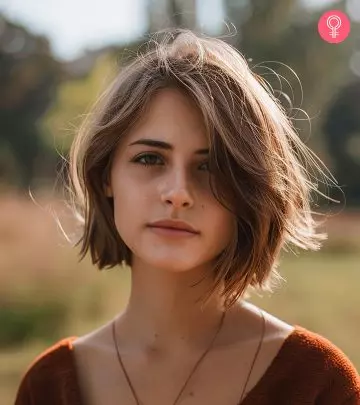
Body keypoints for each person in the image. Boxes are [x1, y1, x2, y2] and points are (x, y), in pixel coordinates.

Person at [14, 28, 359, 405]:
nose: (177, 192)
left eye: (210, 166)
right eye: (150, 158)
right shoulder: (49, 387)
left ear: (249, 190)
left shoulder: (316, 382)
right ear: (106, 176)